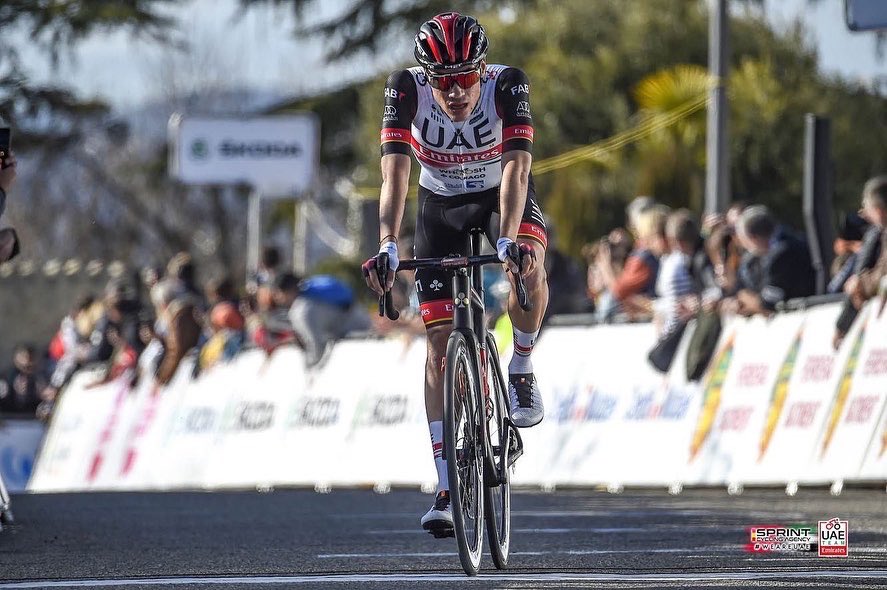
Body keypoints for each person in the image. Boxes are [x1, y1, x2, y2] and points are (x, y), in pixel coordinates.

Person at [362, 12, 549, 534]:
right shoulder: (405, 89)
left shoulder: (508, 85)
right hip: (439, 203)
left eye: (466, 77)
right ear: (427, 78)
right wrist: (387, 244)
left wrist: (508, 239)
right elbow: (394, 174)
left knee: (529, 265)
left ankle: (522, 366)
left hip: (498, 195)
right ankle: (446, 484)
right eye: (444, 81)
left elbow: (518, 166)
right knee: (439, 345)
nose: (456, 91)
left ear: (482, 69)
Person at [722, 205, 815, 316]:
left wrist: (743, 297)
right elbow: (741, 286)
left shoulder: (783, 253)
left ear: (753, 238)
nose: (746, 248)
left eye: (745, 241)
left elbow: (767, 304)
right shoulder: (757, 258)